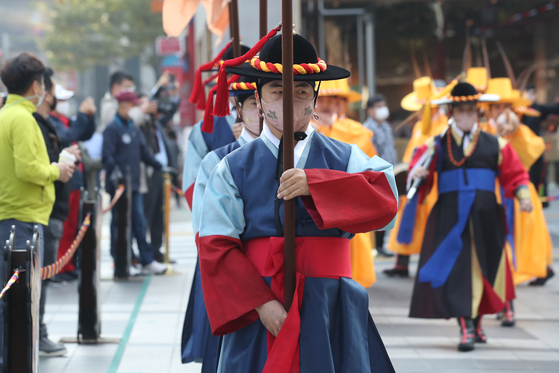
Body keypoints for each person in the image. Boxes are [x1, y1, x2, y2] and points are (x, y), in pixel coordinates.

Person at [198, 30, 397, 372]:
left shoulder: (347, 157)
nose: (290, 100)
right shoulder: (231, 168)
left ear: (315, 99)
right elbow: (216, 245)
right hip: (259, 304)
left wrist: (317, 185)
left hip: (329, 303)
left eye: (301, 91)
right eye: (277, 91)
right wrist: (262, 305)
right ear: (258, 101)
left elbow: (385, 200)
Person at [408, 82, 531, 352]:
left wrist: (523, 196)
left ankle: (476, 323)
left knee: (487, 270)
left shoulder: (495, 144)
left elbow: (516, 174)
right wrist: (417, 175)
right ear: (452, 112)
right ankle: (466, 329)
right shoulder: (436, 144)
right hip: (450, 219)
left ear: (478, 113)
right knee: (458, 272)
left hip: (486, 217)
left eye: (472, 111)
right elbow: (418, 173)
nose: (467, 116)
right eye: (461, 111)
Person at [0, 53, 75, 369]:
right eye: (44, 84)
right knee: (19, 302)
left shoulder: (6, 114)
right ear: (35, 85)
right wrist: (57, 170)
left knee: (9, 300)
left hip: (11, 216)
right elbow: (30, 168)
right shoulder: (23, 118)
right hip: (24, 217)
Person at [181, 76, 261, 372]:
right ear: (238, 109)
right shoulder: (217, 159)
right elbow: (207, 226)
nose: (264, 111)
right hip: (235, 273)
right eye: (254, 103)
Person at [33, 68, 87, 357]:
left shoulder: (43, 122)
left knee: (39, 281)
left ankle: (34, 335)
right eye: (51, 89)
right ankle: (33, 336)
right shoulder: (28, 121)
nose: (54, 96)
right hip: (38, 213)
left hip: (47, 211)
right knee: (35, 281)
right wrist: (60, 163)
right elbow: (32, 168)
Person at [384, 76, 453, 277]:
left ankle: (431, 265)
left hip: (433, 182)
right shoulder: (418, 127)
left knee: (429, 224)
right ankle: (401, 264)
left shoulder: (442, 125)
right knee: (408, 220)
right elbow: (411, 154)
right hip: (414, 178)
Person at [313, 78, 379, 287]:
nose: (326, 104)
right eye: (321, 99)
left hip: (349, 204)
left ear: (341, 103)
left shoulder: (357, 131)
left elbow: (371, 170)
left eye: (332, 99)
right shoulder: (303, 129)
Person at [102, 91, 168, 275]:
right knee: (121, 224)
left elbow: (144, 153)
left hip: (135, 185)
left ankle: (146, 260)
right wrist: (115, 175)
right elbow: (107, 156)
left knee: (139, 222)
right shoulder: (112, 129)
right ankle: (123, 261)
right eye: (134, 105)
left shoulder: (133, 127)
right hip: (119, 188)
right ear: (123, 106)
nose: (137, 109)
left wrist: (159, 166)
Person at [181, 44, 251, 208]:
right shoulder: (203, 131)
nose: (240, 81)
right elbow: (194, 182)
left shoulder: (273, 122)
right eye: (233, 75)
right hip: (222, 213)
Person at [139, 75, 181, 262]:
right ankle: (144, 254)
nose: (158, 112)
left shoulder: (158, 125)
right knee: (147, 216)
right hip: (150, 175)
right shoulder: (143, 125)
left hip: (163, 174)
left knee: (160, 216)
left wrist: (172, 93)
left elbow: (170, 110)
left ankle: (157, 251)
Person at [364, 94, 398, 258]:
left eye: (383, 105)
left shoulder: (386, 126)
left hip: (390, 171)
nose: (383, 109)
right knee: (377, 209)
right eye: (378, 106)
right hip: (376, 173)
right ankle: (376, 246)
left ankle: (381, 245)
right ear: (370, 110)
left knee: (388, 208)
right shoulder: (367, 129)